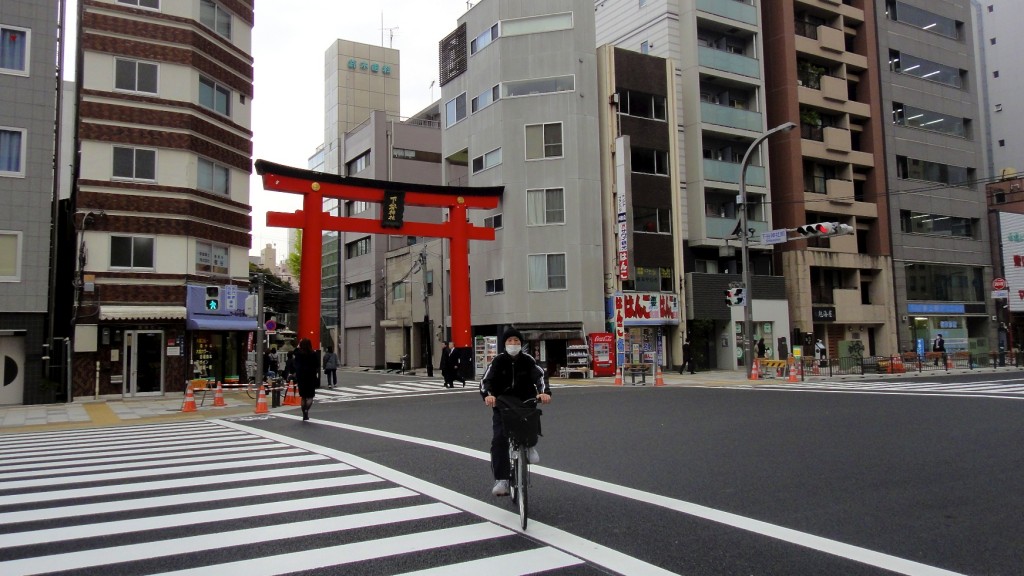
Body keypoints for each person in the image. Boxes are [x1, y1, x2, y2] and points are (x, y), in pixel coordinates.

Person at [481, 327, 551, 497]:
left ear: (521, 343)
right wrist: (488, 396)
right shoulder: (497, 361)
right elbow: (486, 381)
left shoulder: (528, 360)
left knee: (532, 419)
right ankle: (502, 480)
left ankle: (530, 446)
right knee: (499, 439)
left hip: (525, 401)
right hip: (503, 403)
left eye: (517, 341)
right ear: (504, 344)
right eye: (510, 341)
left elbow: (540, 377)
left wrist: (544, 393)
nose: (513, 344)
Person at [293, 338, 319, 421]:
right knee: (310, 396)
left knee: (303, 397)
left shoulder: (299, 354)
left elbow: (295, 352)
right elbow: (317, 364)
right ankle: (307, 410)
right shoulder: (313, 354)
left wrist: (298, 346)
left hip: (301, 377)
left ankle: (304, 413)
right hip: (311, 376)